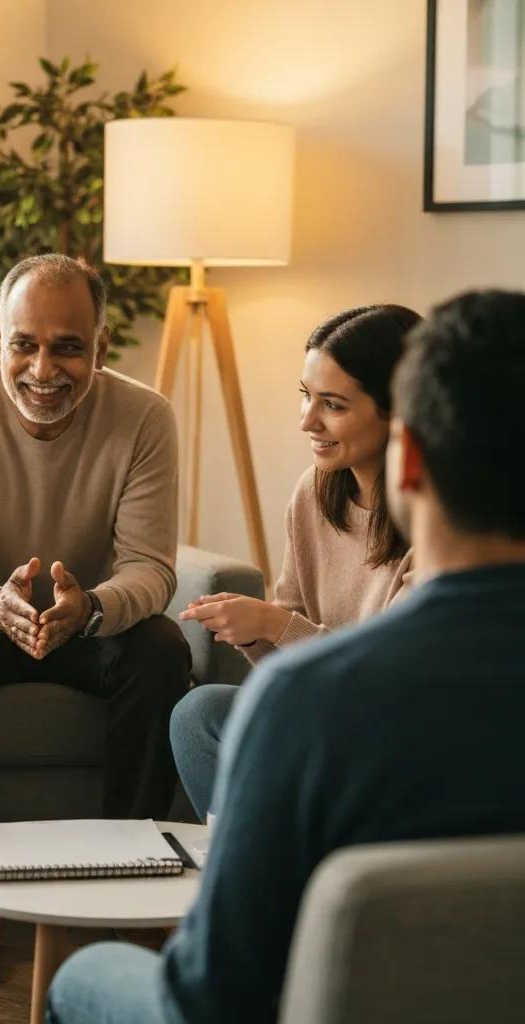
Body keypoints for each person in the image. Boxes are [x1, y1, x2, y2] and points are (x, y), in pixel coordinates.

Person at [47, 287, 525, 1023]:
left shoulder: (308, 701)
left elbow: (208, 1002)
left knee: (84, 976)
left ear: (408, 458)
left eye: (331, 403)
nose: (309, 421)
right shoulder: (317, 514)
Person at [0, 253, 192, 978]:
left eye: (68, 346)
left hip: (87, 624)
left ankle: (133, 882)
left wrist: (93, 609)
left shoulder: (146, 416)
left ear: (102, 345)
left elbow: (152, 566)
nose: (43, 368)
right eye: (24, 343)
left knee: (161, 647)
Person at [172, 304, 420, 821]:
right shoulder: (314, 494)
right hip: (321, 712)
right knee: (199, 714)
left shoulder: (439, 519)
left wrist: (276, 623)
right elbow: (289, 660)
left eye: (332, 404)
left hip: (394, 730)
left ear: (396, 409)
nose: (307, 421)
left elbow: (397, 678)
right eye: (306, 396)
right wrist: (252, 632)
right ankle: (248, 874)